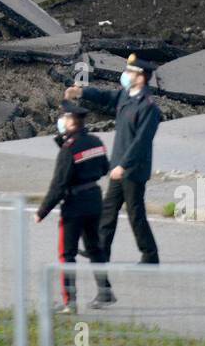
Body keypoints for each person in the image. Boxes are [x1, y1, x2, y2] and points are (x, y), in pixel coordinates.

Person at [64, 53, 161, 266]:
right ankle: (100, 249)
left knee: (136, 214)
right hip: (119, 166)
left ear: (141, 77)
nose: (125, 75)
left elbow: (141, 142)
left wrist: (123, 166)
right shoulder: (127, 96)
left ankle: (150, 256)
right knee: (108, 209)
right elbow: (106, 96)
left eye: (130, 72)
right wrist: (81, 91)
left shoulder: (148, 107)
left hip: (133, 170)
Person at [35, 100, 114, 311]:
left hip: (74, 204)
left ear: (71, 122)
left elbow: (58, 185)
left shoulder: (68, 150)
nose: (62, 120)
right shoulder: (97, 141)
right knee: (95, 248)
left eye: (65, 117)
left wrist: (41, 212)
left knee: (67, 254)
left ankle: (69, 302)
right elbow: (105, 168)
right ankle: (105, 292)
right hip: (95, 199)